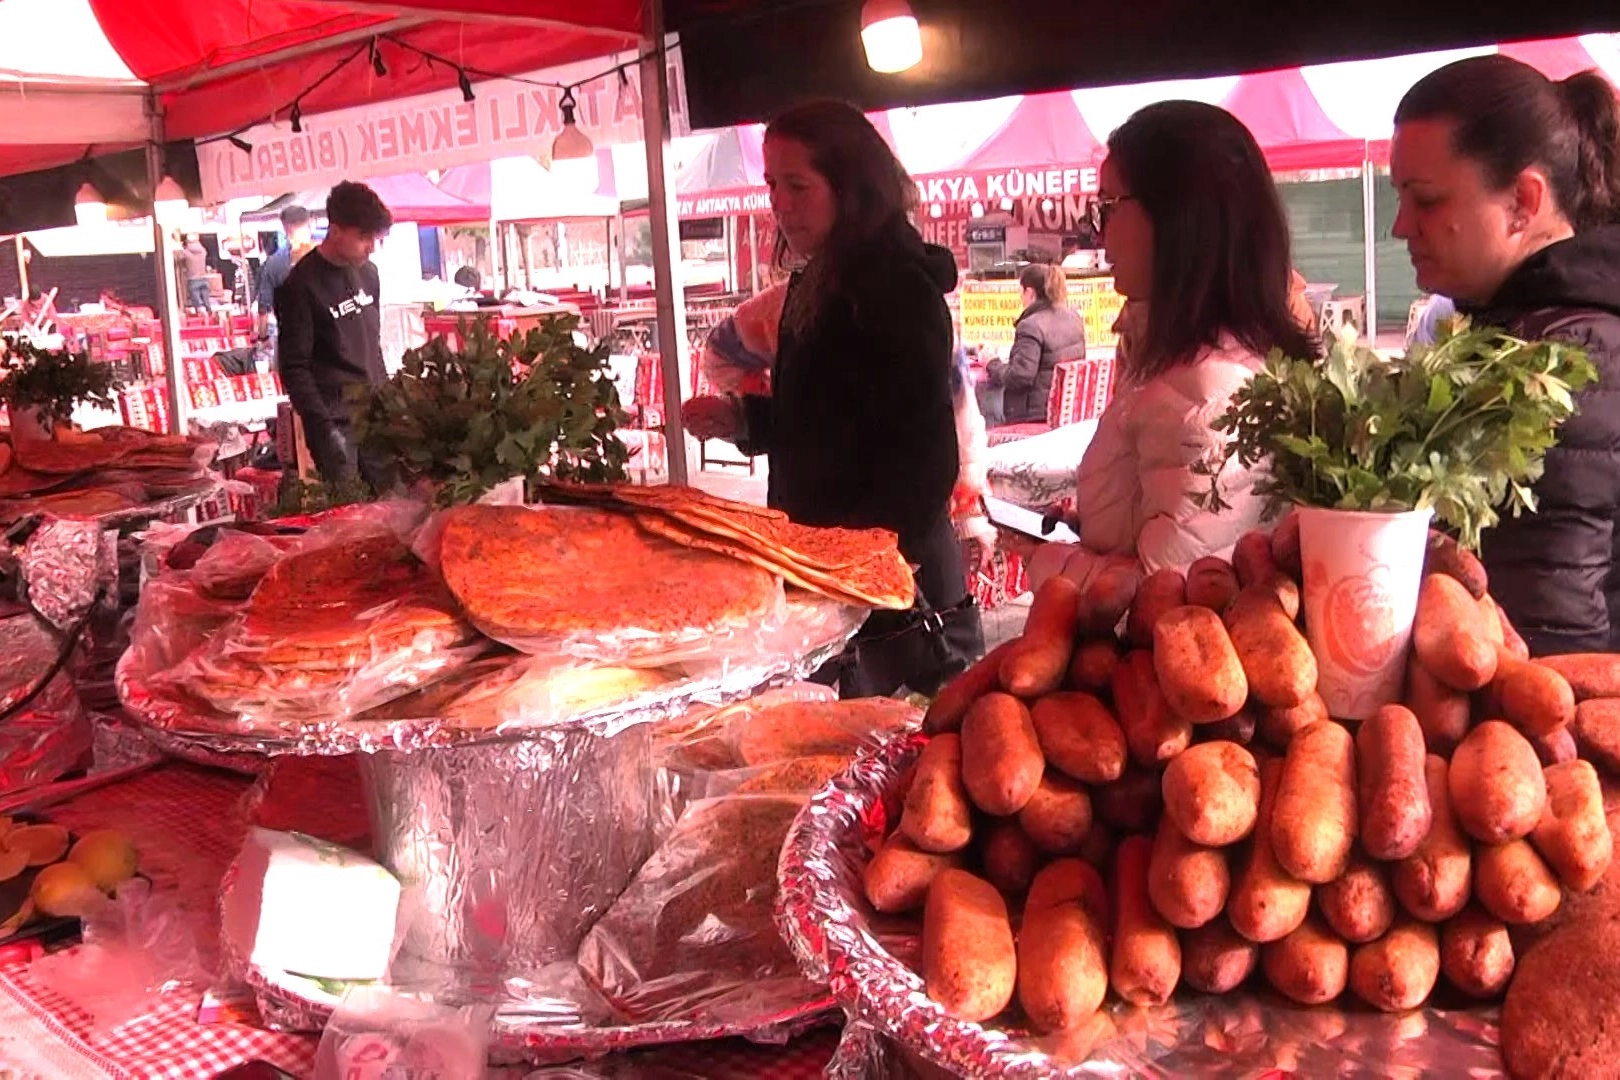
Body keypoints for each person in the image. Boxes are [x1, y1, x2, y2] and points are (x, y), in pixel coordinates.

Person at [682, 100, 978, 695]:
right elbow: (829, 419)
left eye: (797, 185)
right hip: (830, 570)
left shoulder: (899, 291)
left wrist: (850, 566)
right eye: (772, 184)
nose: (779, 204)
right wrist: (742, 419)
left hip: (890, 584)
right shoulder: (822, 276)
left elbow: (925, 462)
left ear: (851, 186)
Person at [1021, 101, 1319, 592]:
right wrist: (1097, 523)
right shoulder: (1173, 352)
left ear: (1180, 215)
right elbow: (1176, 524)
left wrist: (1047, 562)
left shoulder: (1212, 389)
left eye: (1109, 208)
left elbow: (1164, 598)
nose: (1099, 233)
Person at [1392, 55, 1620, 654]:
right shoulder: (1511, 332)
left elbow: (1550, 645)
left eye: (1426, 199)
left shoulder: (1566, 364)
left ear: (1523, 200)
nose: (1399, 226)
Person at [275, 181, 395, 490]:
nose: (371, 247)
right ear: (336, 230)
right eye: (363, 237)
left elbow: (372, 345)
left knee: (396, 509)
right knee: (352, 522)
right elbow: (294, 368)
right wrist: (323, 429)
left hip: (378, 418)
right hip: (336, 423)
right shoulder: (300, 286)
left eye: (375, 238)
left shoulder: (369, 275)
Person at [989, 262, 1087, 426]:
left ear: (1030, 292)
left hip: (1033, 414)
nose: (1020, 298)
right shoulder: (1074, 318)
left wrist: (992, 363)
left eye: (1020, 292)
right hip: (1063, 410)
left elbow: (1019, 376)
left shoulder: (1030, 326)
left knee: (987, 409)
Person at [257, 206, 315, 343]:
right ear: (309, 223)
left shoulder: (273, 263)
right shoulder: (327, 256)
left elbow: (263, 307)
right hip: (327, 339)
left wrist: (262, 337)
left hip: (291, 339)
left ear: (284, 228)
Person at [180, 234, 212, 313]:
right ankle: (209, 311)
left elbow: (179, 257)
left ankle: (200, 313)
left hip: (193, 279)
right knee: (206, 299)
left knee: (197, 302)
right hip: (204, 278)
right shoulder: (203, 251)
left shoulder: (186, 252)